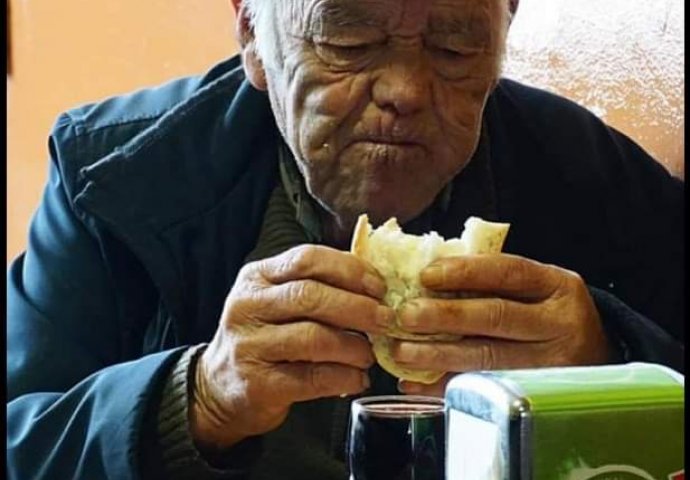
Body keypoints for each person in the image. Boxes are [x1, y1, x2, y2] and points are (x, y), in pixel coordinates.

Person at [7, 0, 684, 478]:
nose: (405, 90)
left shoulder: (592, 178)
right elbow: (21, 443)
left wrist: (615, 363)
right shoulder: (116, 178)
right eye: (350, 41)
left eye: (455, 48)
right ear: (252, 31)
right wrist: (196, 399)